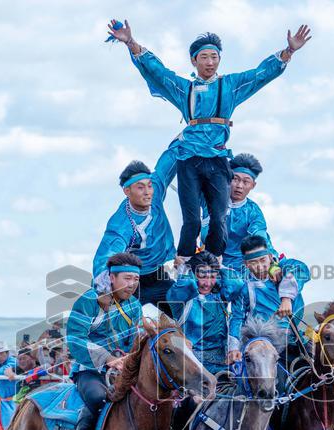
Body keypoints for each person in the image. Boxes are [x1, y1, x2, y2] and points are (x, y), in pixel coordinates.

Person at [108, 20, 311, 266]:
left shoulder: (231, 86)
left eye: (214, 57)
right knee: (192, 220)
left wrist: (287, 52)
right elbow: (158, 72)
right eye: (203, 57)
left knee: (218, 218)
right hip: (189, 159)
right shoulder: (186, 90)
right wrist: (131, 42)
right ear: (194, 61)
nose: (210, 62)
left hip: (216, 158)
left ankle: (215, 263)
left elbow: (259, 75)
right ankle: (182, 262)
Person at [66, 252, 144, 430]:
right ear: (112, 277)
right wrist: (108, 358)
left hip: (123, 370)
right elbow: (75, 338)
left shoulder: (134, 305)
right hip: (89, 369)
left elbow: (135, 339)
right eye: (127, 279)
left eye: (136, 280)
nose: (132, 285)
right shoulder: (89, 300)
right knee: (100, 399)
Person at [92, 148, 179, 311]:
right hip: (132, 283)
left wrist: (189, 133)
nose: (147, 192)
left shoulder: (156, 192)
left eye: (149, 186)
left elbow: (169, 162)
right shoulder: (120, 224)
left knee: (185, 313)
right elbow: (105, 256)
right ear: (127, 191)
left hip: (159, 276)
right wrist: (103, 291)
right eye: (140, 188)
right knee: (123, 327)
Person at [227, 235, 310, 366]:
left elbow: (302, 269)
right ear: (246, 264)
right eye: (253, 262)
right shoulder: (243, 285)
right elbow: (237, 317)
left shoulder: (284, 268)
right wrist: (234, 348)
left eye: (263, 260)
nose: (259, 267)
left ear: (270, 257)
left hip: (293, 339)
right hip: (262, 344)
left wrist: (286, 298)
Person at [199, 153, 275, 274]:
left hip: (240, 271)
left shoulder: (252, 211)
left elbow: (260, 237)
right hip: (210, 266)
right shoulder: (210, 199)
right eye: (235, 179)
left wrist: (272, 263)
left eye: (246, 182)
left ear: (253, 185)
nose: (239, 186)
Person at [165, 251, 236, 375]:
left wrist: (221, 266)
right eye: (202, 277)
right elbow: (187, 284)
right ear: (193, 274)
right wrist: (185, 268)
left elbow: (237, 284)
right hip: (192, 367)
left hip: (223, 365)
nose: (207, 283)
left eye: (212, 277)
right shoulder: (182, 300)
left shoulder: (220, 297)